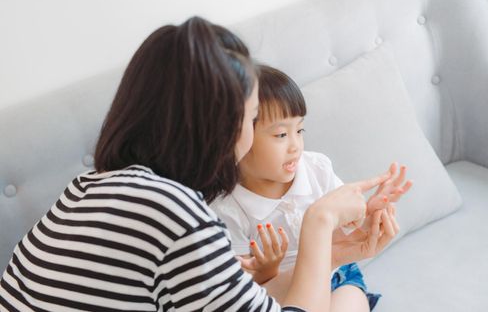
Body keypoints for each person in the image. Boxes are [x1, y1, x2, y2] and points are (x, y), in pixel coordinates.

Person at [0, 17, 399, 311]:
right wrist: (319, 221)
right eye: (251, 116)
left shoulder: (86, 189)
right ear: (219, 128)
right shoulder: (176, 216)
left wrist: (328, 256)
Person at [210, 65, 413, 311]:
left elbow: (343, 228)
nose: (296, 145)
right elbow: (248, 293)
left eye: (299, 130)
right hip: (282, 294)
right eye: (281, 135)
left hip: (338, 276)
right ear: (237, 138)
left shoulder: (316, 168)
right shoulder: (226, 208)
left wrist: (367, 211)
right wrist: (267, 272)